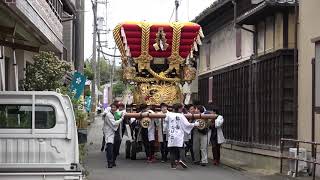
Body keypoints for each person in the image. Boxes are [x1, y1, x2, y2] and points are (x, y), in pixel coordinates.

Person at [165, 103, 200, 169]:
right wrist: (195, 124)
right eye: (181, 108)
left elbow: (166, 120)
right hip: (178, 134)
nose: (182, 109)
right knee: (181, 148)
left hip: (171, 134)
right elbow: (187, 124)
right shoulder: (181, 115)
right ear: (178, 108)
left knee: (172, 150)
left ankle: (173, 166)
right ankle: (181, 159)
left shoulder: (169, 114)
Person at [102, 103, 125, 168]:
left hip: (117, 133)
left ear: (117, 108)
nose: (113, 108)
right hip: (109, 133)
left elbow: (123, 112)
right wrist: (122, 118)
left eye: (114, 107)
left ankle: (113, 160)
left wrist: (123, 115)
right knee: (110, 148)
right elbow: (114, 124)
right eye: (112, 107)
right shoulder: (108, 115)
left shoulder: (117, 113)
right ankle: (110, 162)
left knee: (116, 149)